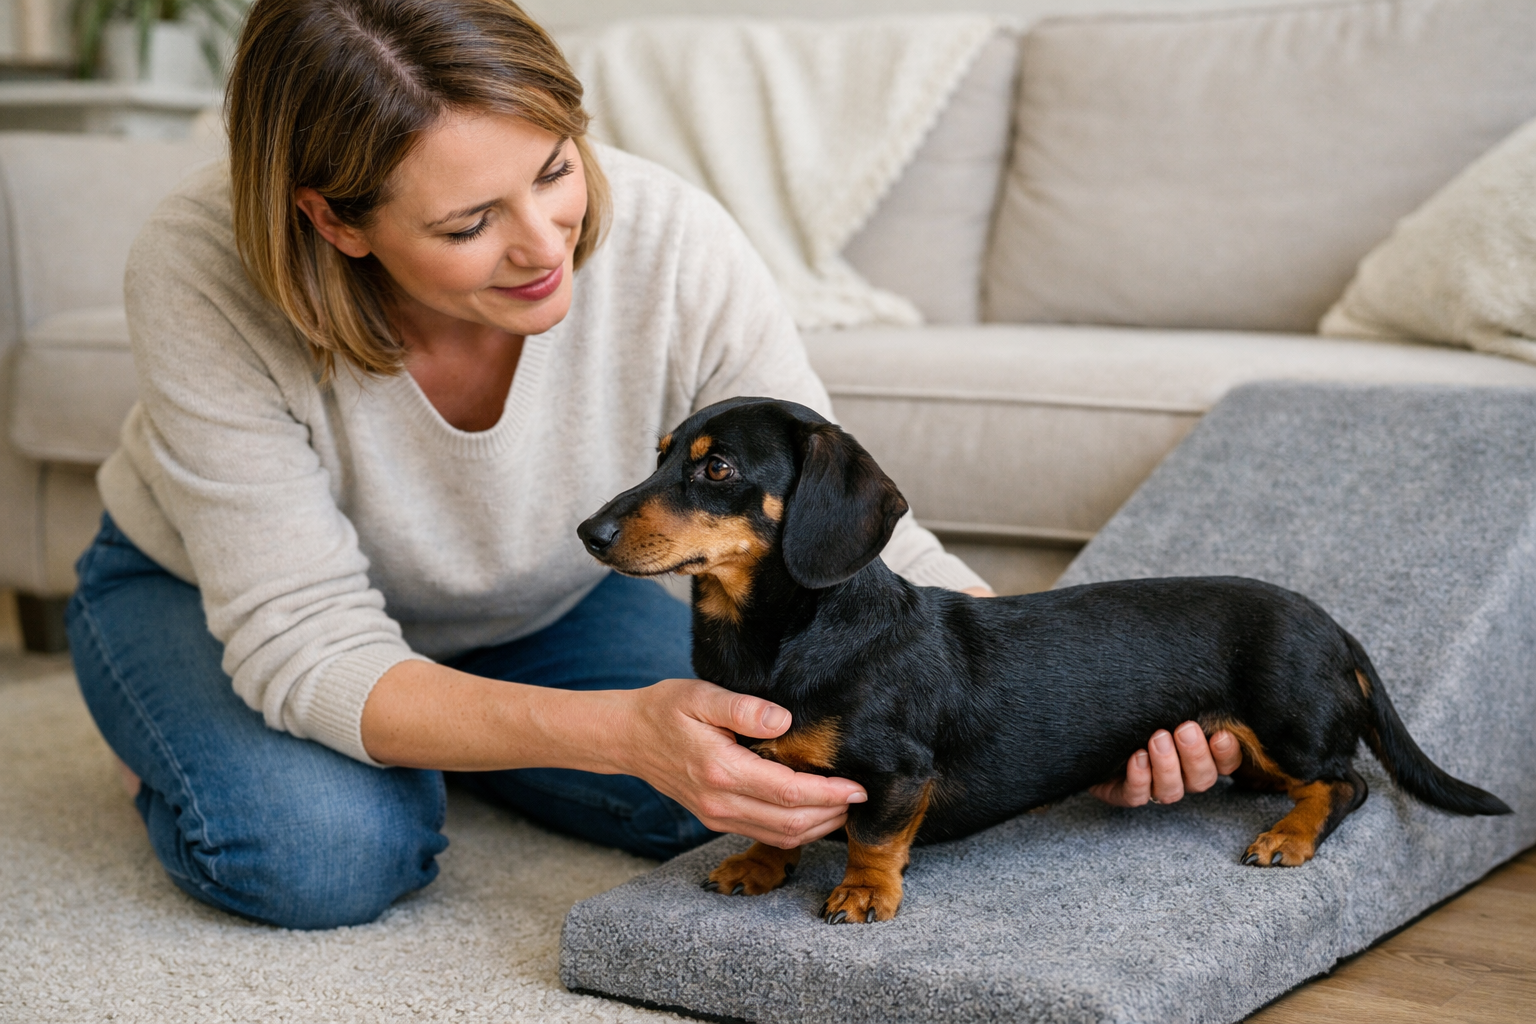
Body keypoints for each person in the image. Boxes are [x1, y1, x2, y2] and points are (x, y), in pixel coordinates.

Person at [66, 0, 1240, 931]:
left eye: (555, 167)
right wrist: (613, 734)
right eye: (470, 224)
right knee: (322, 856)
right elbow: (303, 634)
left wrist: (1069, 703)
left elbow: (836, 534)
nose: (545, 243)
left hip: (550, 598)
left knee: (787, 792)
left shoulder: (675, 239)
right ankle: (229, 748)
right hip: (217, 601)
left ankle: (447, 734)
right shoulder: (202, 269)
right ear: (335, 222)